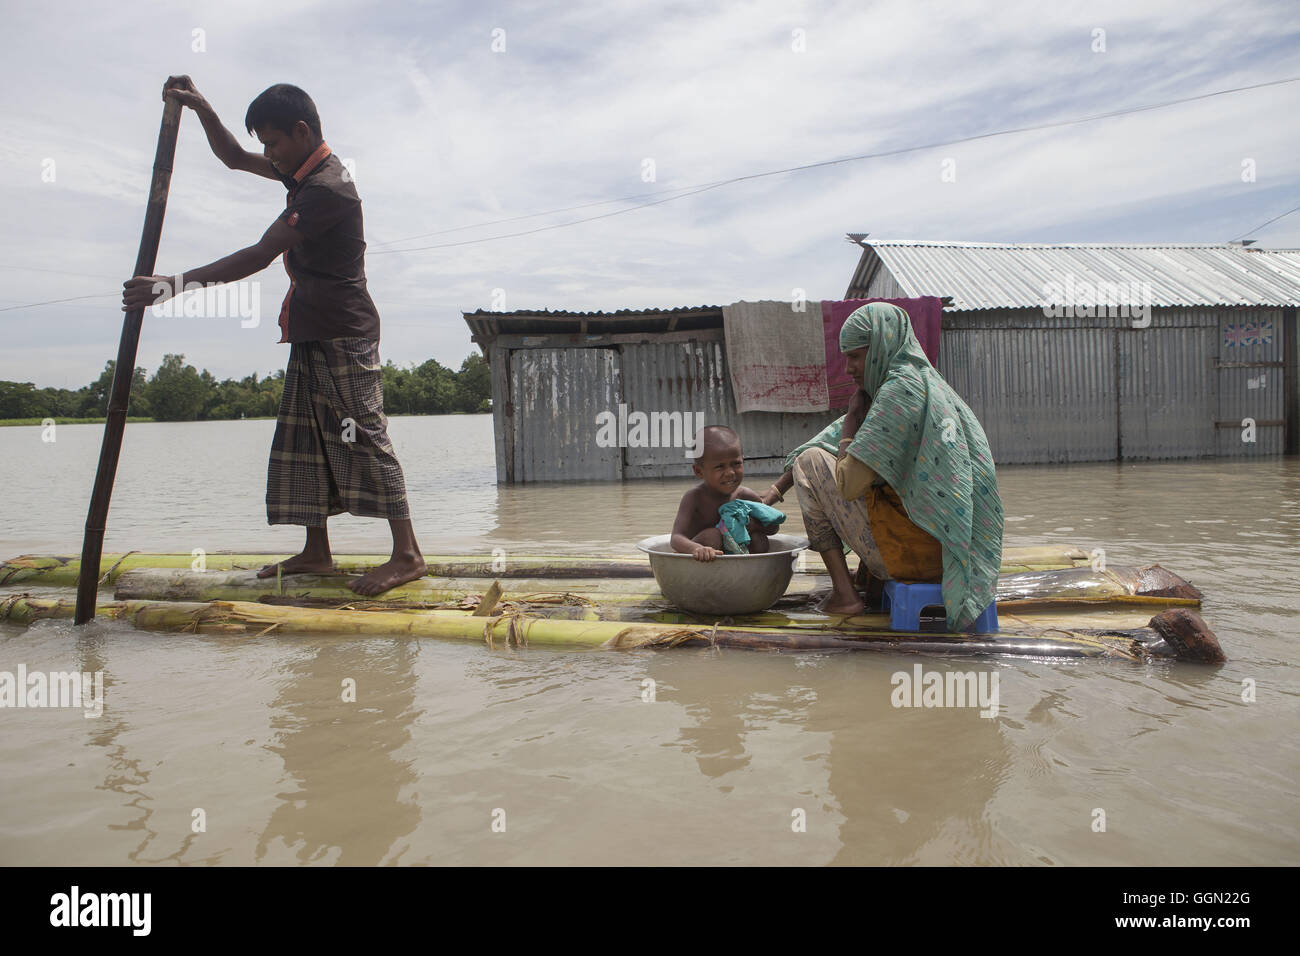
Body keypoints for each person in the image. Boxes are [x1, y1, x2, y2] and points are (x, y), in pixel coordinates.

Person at [121, 77, 426, 596]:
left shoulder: (327, 188)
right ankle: (317, 551)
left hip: (345, 331)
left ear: (301, 132)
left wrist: (172, 286)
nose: (268, 153)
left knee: (366, 434)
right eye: (266, 143)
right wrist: (199, 108)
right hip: (312, 328)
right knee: (303, 436)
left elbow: (259, 254)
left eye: (274, 142)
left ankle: (408, 555)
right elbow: (235, 157)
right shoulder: (302, 177)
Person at [784, 303, 1003, 627]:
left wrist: (853, 422)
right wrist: (775, 491)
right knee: (868, 477)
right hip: (958, 551)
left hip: (921, 560)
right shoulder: (924, 383)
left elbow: (847, 483)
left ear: (879, 349)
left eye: (855, 357)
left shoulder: (897, 394)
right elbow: (830, 439)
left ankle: (845, 596)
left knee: (810, 463)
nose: (848, 368)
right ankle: (867, 581)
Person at [670, 425, 783, 561]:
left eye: (736, 464)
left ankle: (748, 574)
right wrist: (697, 549)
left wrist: (753, 524)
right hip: (702, 560)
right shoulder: (695, 497)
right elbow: (676, 538)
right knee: (712, 536)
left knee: (759, 540)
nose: (730, 473)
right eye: (719, 467)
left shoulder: (745, 495)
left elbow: (773, 527)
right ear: (699, 471)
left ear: (743, 460)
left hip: (737, 557)